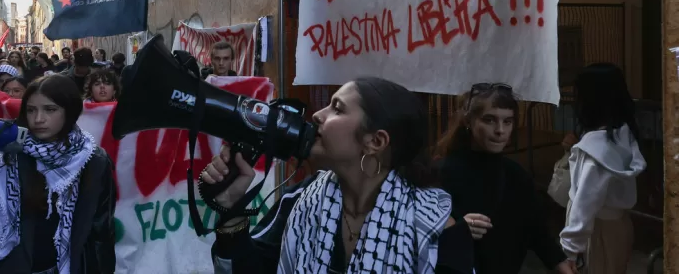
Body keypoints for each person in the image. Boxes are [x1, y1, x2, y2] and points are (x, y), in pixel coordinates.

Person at [202, 78, 473, 273]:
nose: (318, 115)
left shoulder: (436, 229)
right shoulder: (300, 202)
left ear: (375, 142)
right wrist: (231, 209)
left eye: (337, 108)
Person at [0, 75, 116, 274]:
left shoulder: (93, 160)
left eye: (50, 110)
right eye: (31, 110)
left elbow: (101, 234)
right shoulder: (3, 156)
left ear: (70, 111)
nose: (38, 119)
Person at [435, 83, 571, 274]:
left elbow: (535, 229)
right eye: (489, 120)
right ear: (468, 121)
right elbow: (422, 234)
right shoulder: (441, 173)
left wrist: (560, 263)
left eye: (507, 121)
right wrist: (456, 230)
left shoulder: (516, 175)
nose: (500, 130)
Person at [560, 64, 646, 273]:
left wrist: (570, 250)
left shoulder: (594, 150)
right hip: (619, 227)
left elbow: (585, 205)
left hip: (596, 232)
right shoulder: (622, 133)